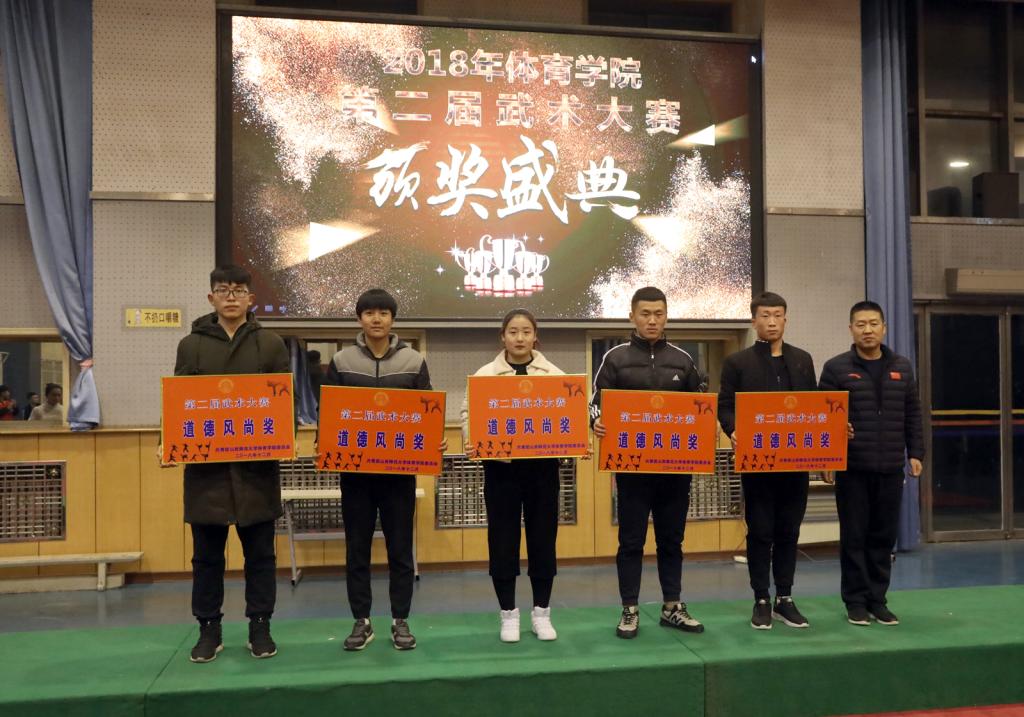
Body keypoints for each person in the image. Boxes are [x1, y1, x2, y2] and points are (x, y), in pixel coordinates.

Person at [171, 265, 290, 663]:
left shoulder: (270, 344)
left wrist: (285, 434)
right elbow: (178, 403)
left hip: (256, 471)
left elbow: (284, 402)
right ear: (211, 298)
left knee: (261, 557)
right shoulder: (190, 345)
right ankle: (209, 629)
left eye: (239, 290)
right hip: (206, 473)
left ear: (251, 298)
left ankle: (260, 626)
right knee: (206, 558)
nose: (231, 297)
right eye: (223, 290)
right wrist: (167, 442)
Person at [325, 288, 446, 652]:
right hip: (356, 477)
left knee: (400, 550)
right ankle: (361, 621)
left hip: (398, 476)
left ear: (393, 319)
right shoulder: (341, 360)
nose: (376, 319)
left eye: (383, 313)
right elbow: (329, 412)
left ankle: (400, 620)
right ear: (359, 318)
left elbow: (427, 411)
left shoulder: (414, 360)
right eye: (369, 313)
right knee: (356, 550)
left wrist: (434, 440)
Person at [591, 286, 707, 639]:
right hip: (632, 471)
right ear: (632, 316)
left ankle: (672, 606)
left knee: (672, 540)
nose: (652, 320)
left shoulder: (683, 360)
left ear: (666, 316)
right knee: (631, 541)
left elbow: (700, 408)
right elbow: (595, 405)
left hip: (675, 471)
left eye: (658, 314)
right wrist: (596, 421)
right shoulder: (615, 358)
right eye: (645, 314)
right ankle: (629, 609)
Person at [460, 308, 563, 643]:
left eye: (526, 331)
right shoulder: (485, 374)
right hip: (501, 472)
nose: (520, 338)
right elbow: (468, 414)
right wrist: (470, 439)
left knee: (543, 540)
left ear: (536, 337)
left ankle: (542, 613)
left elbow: (570, 417)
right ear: (502, 337)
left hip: (542, 471)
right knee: (502, 541)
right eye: (513, 332)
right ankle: (508, 614)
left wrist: (575, 443)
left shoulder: (554, 374)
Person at [819, 300, 923, 627]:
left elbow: (913, 414)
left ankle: (878, 600)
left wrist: (916, 453)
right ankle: (855, 602)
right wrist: (827, 457)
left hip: (890, 467)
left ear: (884, 328)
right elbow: (823, 418)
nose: (868, 330)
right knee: (854, 537)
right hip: (852, 469)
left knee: (882, 537)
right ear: (851, 329)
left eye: (874, 323)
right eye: (861, 324)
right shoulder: (836, 369)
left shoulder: (902, 367)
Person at [718, 292, 818, 630]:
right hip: (757, 464)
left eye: (777, 315)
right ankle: (761, 598)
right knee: (760, 531)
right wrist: (733, 430)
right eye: (765, 315)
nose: (772, 321)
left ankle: (784, 597)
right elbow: (725, 406)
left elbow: (814, 407)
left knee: (789, 530)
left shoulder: (802, 360)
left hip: (795, 463)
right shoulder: (738, 363)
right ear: (754, 321)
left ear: (785, 319)